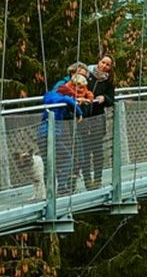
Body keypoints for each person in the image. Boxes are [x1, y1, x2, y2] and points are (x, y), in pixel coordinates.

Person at [39, 63, 87, 193]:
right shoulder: (64, 97)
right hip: (54, 134)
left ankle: (47, 191)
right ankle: (61, 186)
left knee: (48, 161)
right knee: (67, 158)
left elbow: (47, 98)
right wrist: (80, 114)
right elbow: (70, 101)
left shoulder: (49, 95)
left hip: (42, 133)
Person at [83, 53, 116, 187]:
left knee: (97, 151)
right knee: (84, 152)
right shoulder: (87, 76)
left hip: (98, 119)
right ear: (98, 62)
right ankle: (87, 181)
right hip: (84, 118)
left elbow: (111, 100)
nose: (104, 66)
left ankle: (97, 180)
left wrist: (104, 99)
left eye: (108, 65)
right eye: (103, 62)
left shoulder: (108, 82)